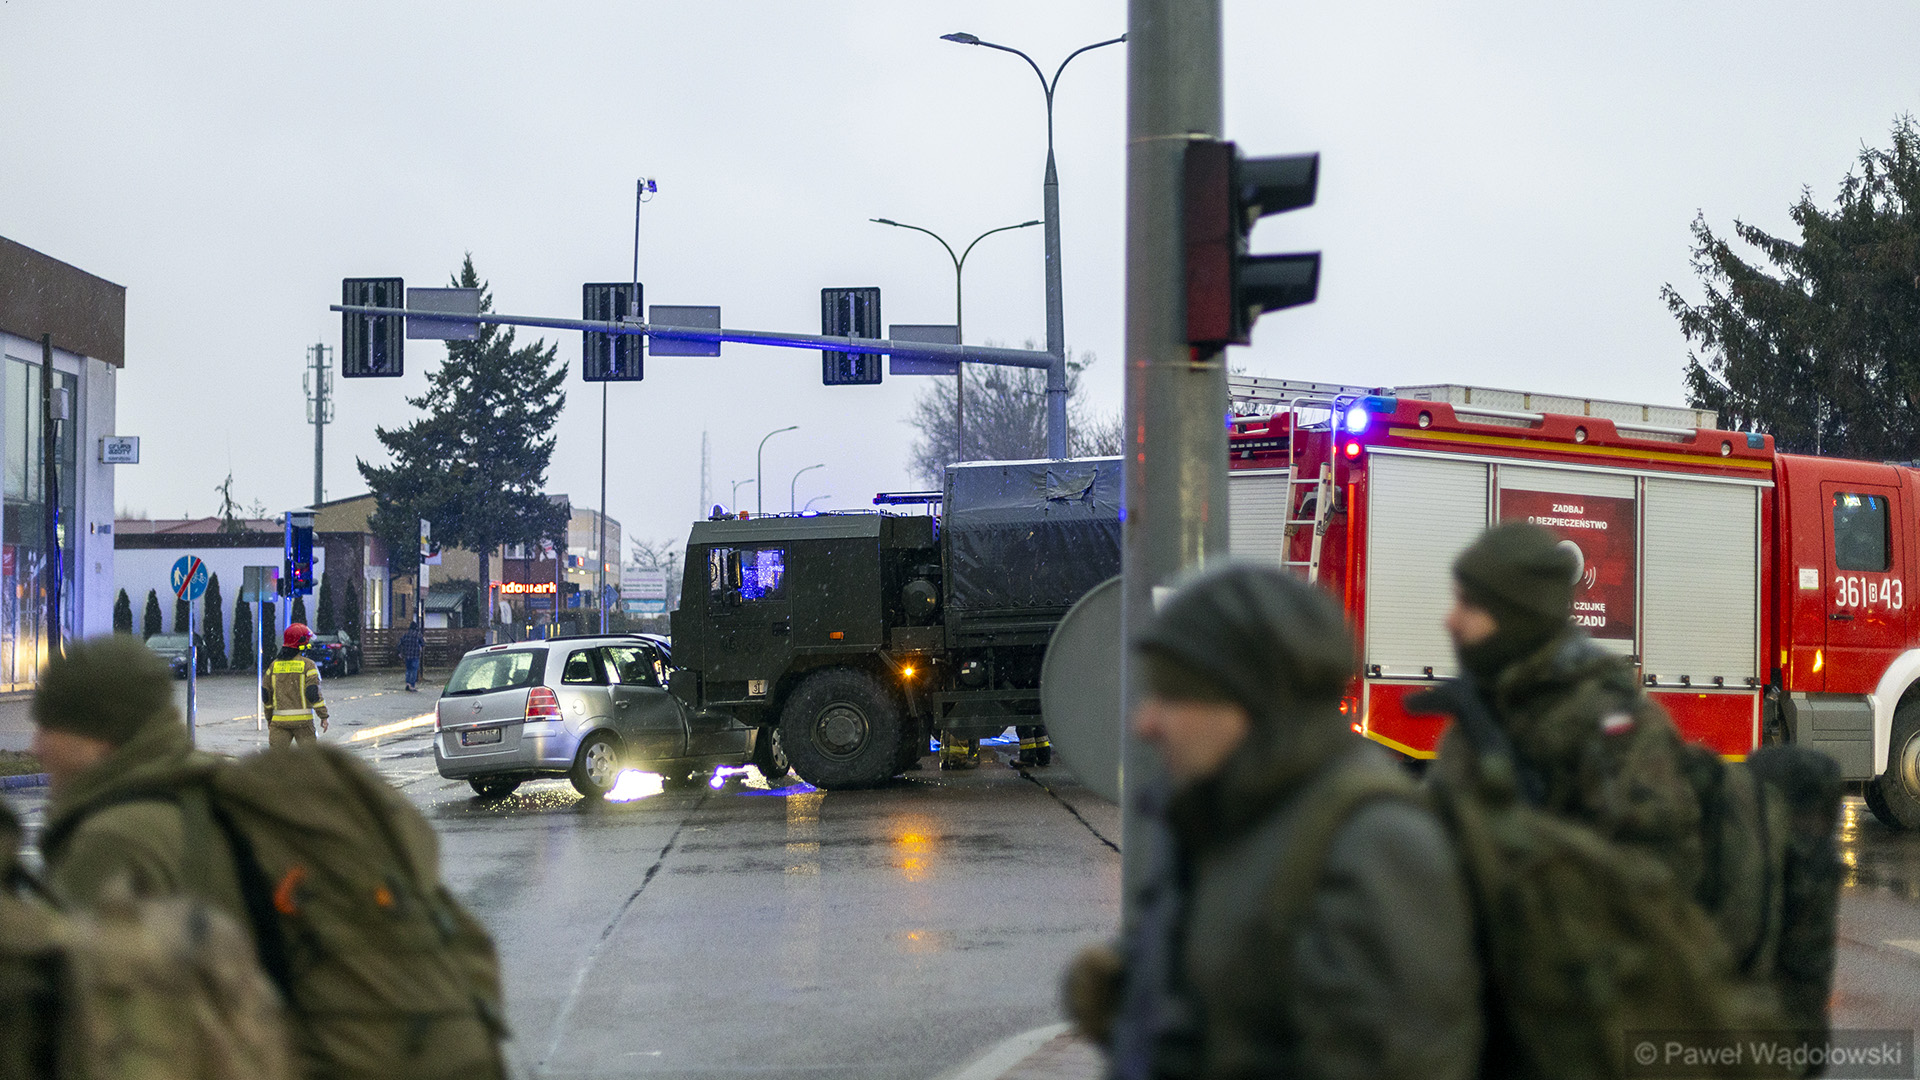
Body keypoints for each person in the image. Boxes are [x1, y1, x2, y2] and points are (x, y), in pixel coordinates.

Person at [1064, 563, 1481, 1080]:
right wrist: (1131, 994)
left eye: (1172, 694)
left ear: (1246, 699)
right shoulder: (1219, 813)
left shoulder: (1374, 844)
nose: (1144, 722)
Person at [1415, 522, 1703, 887]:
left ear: (1514, 617)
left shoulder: (1612, 725)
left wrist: (1513, 847)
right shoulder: (1487, 707)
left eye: (1469, 604)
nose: (1450, 619)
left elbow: (1658, 882)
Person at [32, 635, 247, 911]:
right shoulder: (210, 786)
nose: (35, 748)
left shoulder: (111, 842)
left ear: (100, 735)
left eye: (48, 728)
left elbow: (63, 936)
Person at [263, 623, 330, 749]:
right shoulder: (308, 665)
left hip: (279, 722)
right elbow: (313, 693)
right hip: (303, 722)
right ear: (302, 643)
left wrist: (269, 718)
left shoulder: (274, 665)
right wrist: (323, 716)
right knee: (310, 757)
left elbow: (266, 694)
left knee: (277, 758)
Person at [398, 621, 425, 692]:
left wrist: (401, 652)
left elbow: (400, 643)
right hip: (415, 655)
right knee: (414, 670)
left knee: (408, 670)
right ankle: (412, 686)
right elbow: (423, 643)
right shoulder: (418, 635)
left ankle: (407, 683)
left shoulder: (406, 634)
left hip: (407, 655)